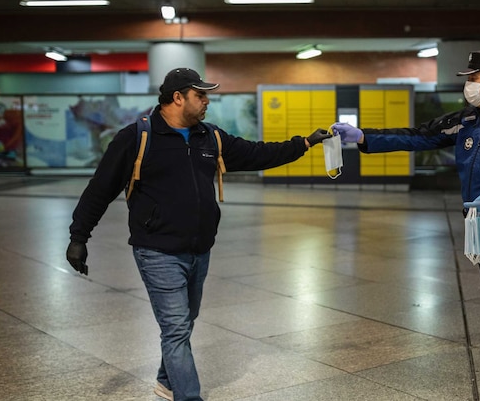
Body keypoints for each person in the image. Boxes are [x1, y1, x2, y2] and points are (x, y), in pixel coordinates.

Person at [66, 68, 331, 401]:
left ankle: (166, 380)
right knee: (176, 328)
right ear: (178, 98)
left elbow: (257, 153)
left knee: (185, 320)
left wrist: (304, 143)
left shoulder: (211, 137)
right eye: (200, 95)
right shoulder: (136, 137)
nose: (207, 102)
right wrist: (79, 237)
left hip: (199, 249)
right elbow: (99, 189)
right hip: (156, 250)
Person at [332, 50, 480, 401]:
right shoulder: (469, 120)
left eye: (473, 77)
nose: (468, 85)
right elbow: (419, 136)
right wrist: (364, 137)